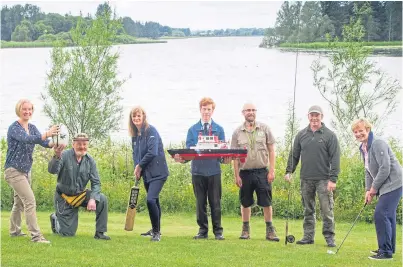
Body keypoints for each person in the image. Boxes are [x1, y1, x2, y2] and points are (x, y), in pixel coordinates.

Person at [4, 99, 59, 243]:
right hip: (13, 170)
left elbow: (45, 143)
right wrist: (48, 132)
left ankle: (14, 231)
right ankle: (36, 236)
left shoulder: (33, 127)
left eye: (30, 109)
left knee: (19, 203)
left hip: (26, 171)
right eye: (24, 109)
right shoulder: (14, 128)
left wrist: (56, 143)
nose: (27, 112)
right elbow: (27, 139)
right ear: (19, 110)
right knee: (30, 201)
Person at [174, 97, 230, 240]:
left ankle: (218, 232)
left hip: (214, 171)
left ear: (213, 111)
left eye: (209, 109)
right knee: (200, 203)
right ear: (200, 110)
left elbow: (222, 152)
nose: (206, 112)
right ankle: (202, 231)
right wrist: (181, 159)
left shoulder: (219, 129)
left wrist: (226, 159)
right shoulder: (192, 130)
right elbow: (188, 151)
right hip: (198, 171)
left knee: (215, 202)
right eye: (204, 109)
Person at [284, 105, 340, 247]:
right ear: (308, 116)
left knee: (326, 210)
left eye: (317, 115)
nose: (314, 118)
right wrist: (289, 171)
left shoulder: (330, 135)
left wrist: (333, 179)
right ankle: (308, 237)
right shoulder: (301, 134)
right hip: (306, 178)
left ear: (322, 116)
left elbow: (335, 158)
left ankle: (330, 238)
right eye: (312, 115)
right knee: (308, 209)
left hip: (324, 179)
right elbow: (294, 155)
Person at [351, 118, 402, 260]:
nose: (358, 134)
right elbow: (368, 170)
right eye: (355, 132)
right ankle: (387, 249)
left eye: (361, 130)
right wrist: (368, 189)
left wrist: (374, 189)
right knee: (388, 215)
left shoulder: (378, 143)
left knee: (381, 213)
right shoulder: (363, 147)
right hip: (385, 185)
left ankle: (385, 251)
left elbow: (385, 169)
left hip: (394, 183)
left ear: (367, 129)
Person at [231, 103, 279, 241]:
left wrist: (272, 170)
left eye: (253, 110)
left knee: (266, 201)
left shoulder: (264, 129)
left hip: (262, 172)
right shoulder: (237, 132)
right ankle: (245, 230)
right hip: (244, 172)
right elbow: (234, 156)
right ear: (243, 113)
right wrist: (236, 175)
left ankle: (270, 230)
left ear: (255, 112)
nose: (250, 112)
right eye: (248, 110)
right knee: (245, 202)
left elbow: (271, 150)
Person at [48, 133, 110, 240]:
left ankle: (100, 233)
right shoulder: (64, 155)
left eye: (84, 144)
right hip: (64, 197)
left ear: (87, 145)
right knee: (67, 234)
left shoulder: (90, 160)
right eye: (79, 144)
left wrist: (92, 199)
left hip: (79, 195)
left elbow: (96, 183)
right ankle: (55, 219)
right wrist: (57, 155)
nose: (82, 147)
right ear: (73, 144)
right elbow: (52, 170)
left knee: (102, 199)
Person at [130, 106, 169, 242]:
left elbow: (152, 152)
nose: (136, 118)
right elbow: (136, 154)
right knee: (155, 200)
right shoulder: (135, 136)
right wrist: (137, 168)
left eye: (138, 116)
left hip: (158, 172)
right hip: (147, 174)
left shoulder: (151, 131)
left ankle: (157, 233)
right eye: (134, 116)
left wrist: (140, 165)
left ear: (143, 116)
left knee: (150, 200)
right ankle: (155, 229)